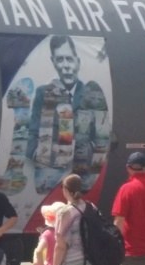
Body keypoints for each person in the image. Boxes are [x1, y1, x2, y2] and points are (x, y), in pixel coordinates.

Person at [26, 35, 109, 193]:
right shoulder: (43, 93)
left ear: (77, 61)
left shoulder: (93, 94)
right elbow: (32, 132)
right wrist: (40, 154)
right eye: (60, 59)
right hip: (49, 176)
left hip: (82, 176)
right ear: (53, 62)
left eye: (69, 59)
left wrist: (86, 150)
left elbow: (103, 137)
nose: (65, 66)